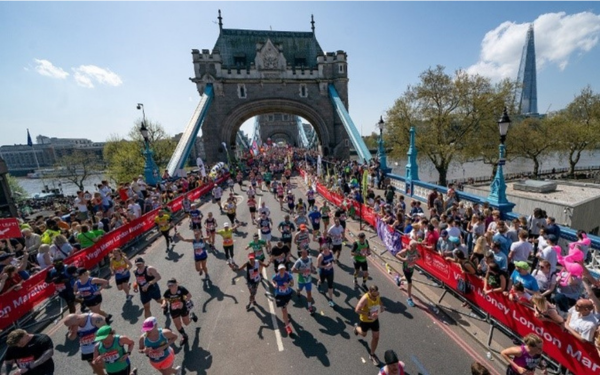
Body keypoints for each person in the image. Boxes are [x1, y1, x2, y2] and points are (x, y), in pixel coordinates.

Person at [354, 284, 384, 366]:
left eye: (377, 293)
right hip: (365, 321)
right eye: (375, 294)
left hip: (374, 320)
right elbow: (357, 310)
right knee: (364, 334)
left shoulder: (377, 295)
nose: (377, 295)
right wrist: (368, 313)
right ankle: (356, 328)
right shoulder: (365, 299)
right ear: (370, 292)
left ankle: (372, 354)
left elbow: (380, 302)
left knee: (376, 337)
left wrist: (382, 308)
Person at [161, 278, 198, 346]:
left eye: (172, 285)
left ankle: (192, 316)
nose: (170, 287)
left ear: (176, 284)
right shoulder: (167, 292)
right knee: (178, 326)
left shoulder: (181, 289)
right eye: (169, 286)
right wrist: (164, 304)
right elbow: (164, 299)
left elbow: (189, 295)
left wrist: (184, 301)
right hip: (174, 310)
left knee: (186, 323)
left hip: (183, 308)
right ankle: (184, 336)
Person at [564, 278, 600, 343]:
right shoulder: (578, 307)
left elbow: (590, 294)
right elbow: (567, 321)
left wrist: (583, 279)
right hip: (567, 338)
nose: (590, 301)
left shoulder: (593, 319)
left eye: (592, 300)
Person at [292, 247, 317, 315]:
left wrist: (313, 269)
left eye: (306, 253)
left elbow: (311, 265)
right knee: (300, 289)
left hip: (308, 280)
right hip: (301, 280)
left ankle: (309, 307)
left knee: (309, 293)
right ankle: (298, 291)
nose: (305, 254)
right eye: (303, 253)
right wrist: (300, 271)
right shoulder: (298, 262)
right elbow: (292, 270)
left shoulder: (310, 259)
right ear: (301, 254)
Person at [395, 239, 420, 307]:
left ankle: (399, 279)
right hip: (406, 269)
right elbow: (397, 255)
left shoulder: (416, 250)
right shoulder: (406, 250)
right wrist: (404, 259)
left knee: (407, 278)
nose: (416, 247)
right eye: (415, 246)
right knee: (409, 283)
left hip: (411, 268)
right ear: (411, 246)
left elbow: (419, 256)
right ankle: (409, 298)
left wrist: (417, 258)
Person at [272, 264, 295, 335]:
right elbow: (272, 280)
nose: (282, 271)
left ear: (285, 269)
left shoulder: (288, 275)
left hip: (287, 294)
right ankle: (287, 326)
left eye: (283, 269)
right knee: (284, 310)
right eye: (280, 269)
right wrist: (274, 285)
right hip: (280, 295)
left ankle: (286, 316)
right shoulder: (276, 276)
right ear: (278, 270)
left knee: (286, 306)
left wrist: (288, 285)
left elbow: (292, 284)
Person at [317, 242, 336, 307]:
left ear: (328, 248)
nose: (325, 250)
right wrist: (325, 266)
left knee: (330, 286)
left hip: (330, 271)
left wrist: (334, 261)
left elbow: (332, 259)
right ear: (322, 249)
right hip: (323, 272)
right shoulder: (321, 256)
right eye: (324, 249)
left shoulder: (331, 252)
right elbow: (318, 266)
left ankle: (330, 300)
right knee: (322, 281)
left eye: (326, 248)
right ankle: (318, 284)